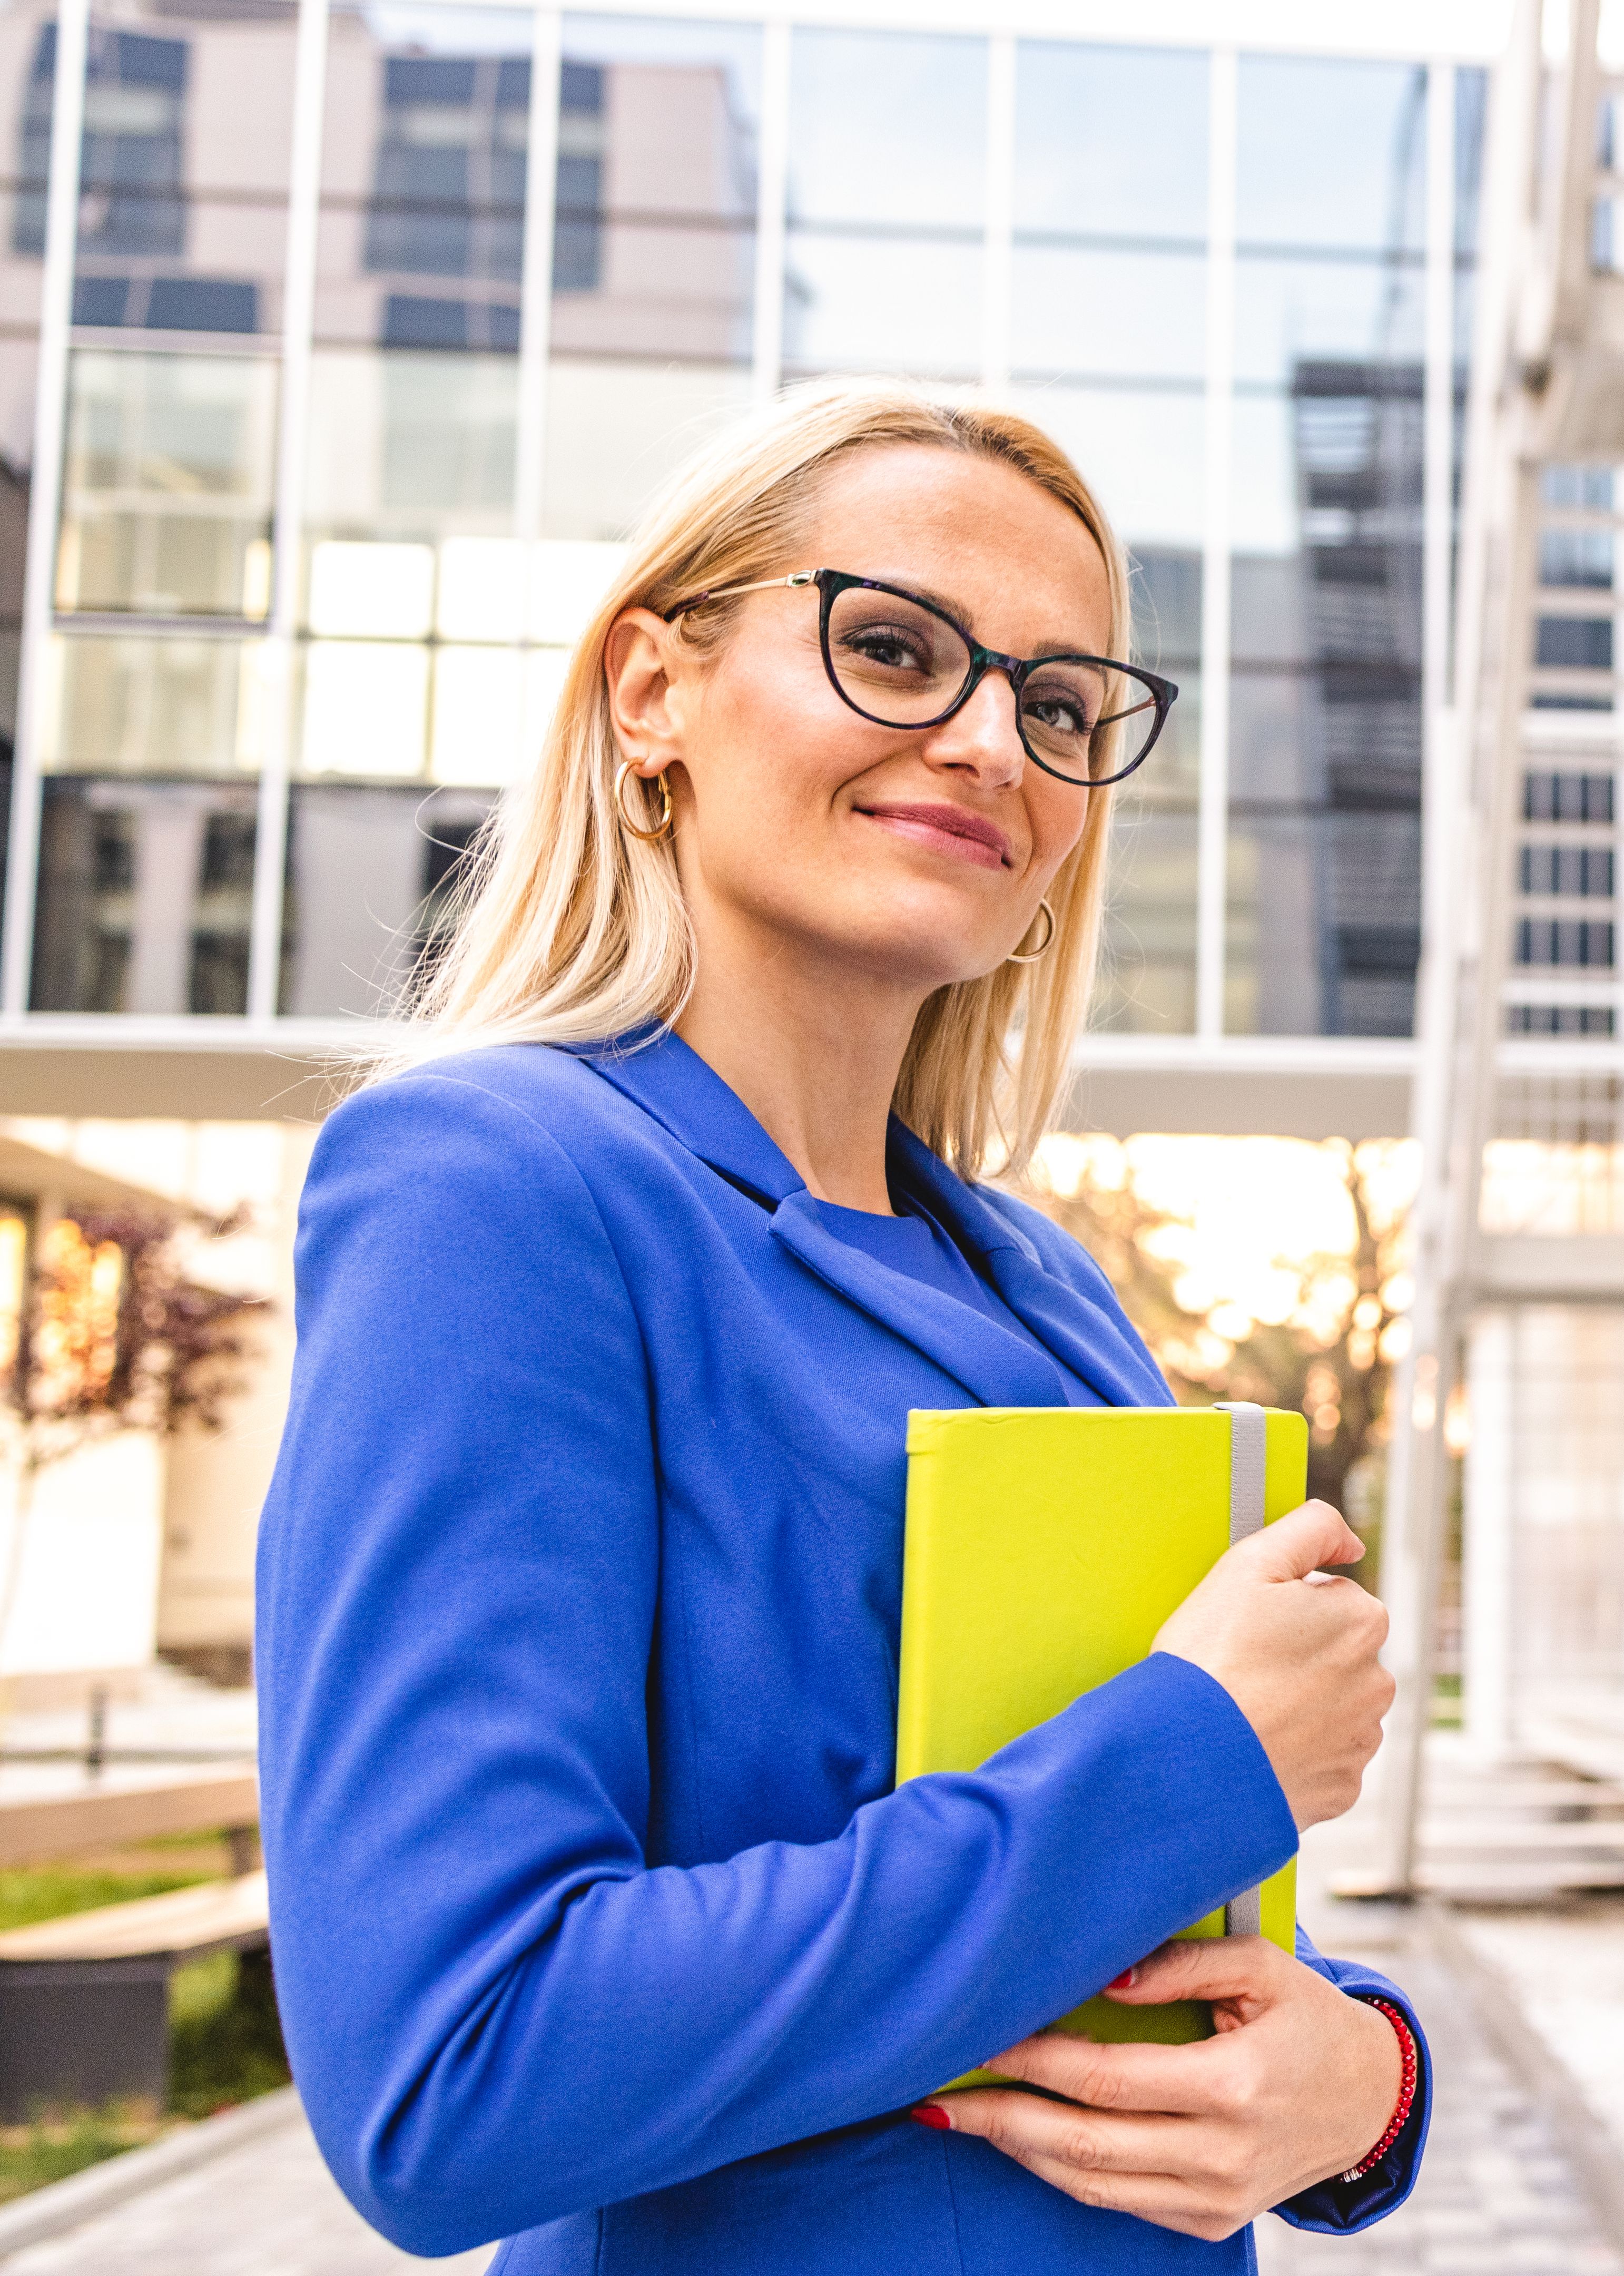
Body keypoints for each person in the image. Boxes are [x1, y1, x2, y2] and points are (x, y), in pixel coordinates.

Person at [254, 381, 1424, 2273]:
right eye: (892, 647)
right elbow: (454, 2071)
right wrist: (1196, 1746)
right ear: (654, 694)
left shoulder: (1044, 1290)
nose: (986, 738)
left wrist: (1358, 2084)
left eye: (1057, 705)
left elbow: (1148, 1931)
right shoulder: (497, 1186)